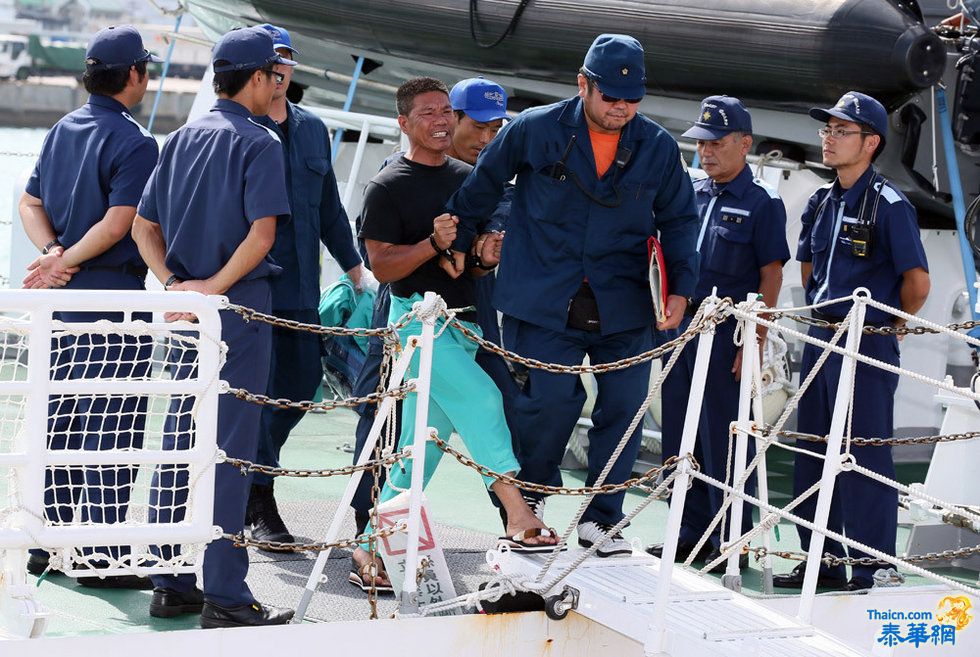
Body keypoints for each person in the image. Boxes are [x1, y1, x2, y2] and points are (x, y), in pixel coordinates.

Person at [446, 34, 700, 556]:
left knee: (625, 408)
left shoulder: (657, 147)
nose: (621, 108)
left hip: (625, 302)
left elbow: (678, 221)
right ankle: (529, 507)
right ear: (583, 85)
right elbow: (483, 185)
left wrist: (681, 290)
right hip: (543, 296)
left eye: (631, 100)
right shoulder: (533, 129)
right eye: (610, 97)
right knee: (547, 404)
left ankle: (601, 519)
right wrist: (461, 240)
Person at [355, 76, 557, 590]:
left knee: (420, 445)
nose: (441, 120)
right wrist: (430, 241)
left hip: (463, 323)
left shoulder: (469, 177)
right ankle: (518, 513)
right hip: (417, 323)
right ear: (403, 123)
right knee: (486, 402)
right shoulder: (387, 185)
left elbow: (463, 265)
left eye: (446, 110)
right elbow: (381, 267)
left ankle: (366, 548)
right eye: (427, 113)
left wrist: (485, 257)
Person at [132, 26, 297, 627]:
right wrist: (214, 289)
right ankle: (226, 595)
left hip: (183, 316)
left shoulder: (178, 139)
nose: (279, 85)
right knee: (229, 451)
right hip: (237, 311)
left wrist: (176, 285)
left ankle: (171, 581)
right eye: (276, 76)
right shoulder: (260, 142)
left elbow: (141, 228)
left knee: (179, 440)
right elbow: (262, 234)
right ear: (258, 78)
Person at [18, 24, 161, 589]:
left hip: (60, 302)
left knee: (59, 419)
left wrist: (52, 254)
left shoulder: (63, 128)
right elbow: (119, 222)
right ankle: (102, 554)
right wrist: (66, 259)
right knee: (112, 421)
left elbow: (30, 203)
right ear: (133, 75)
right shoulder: (135, 141)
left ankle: (46, 545)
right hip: (112, 295)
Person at [772, 91, 930, 591]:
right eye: (827, 130)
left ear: (870, 143)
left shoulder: (890, 205)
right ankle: (821, 555)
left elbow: (917, 284)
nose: (828, 139)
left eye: (841, 131)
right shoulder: (821, 201)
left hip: (867, 342)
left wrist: (888, 325)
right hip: (821, 337)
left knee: (864, 449)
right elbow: (809, 268)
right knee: (814, 448)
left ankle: (873, 562)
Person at [646, 96, 789, 570]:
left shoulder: (763, 202)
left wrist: (757, 339)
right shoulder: (691, 192)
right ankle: (685, 534)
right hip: (682, 332)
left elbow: (772, 275)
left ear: (744, 144)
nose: (706, 152)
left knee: (724, 438)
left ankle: (730, 541)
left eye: (717, 143)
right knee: (679, 436)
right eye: (702, 143)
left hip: (728, 335)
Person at [245, 23, 365, 546]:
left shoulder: (312, 129)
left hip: (301, 293)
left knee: (295, 391)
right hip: (249, 289)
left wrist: (355, 267)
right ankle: (255, 496)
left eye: (286, 62)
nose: (279, 72)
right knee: (250, 396)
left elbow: (329, 209)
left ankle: (254, 481)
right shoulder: (235, 129)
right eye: (271, 63)